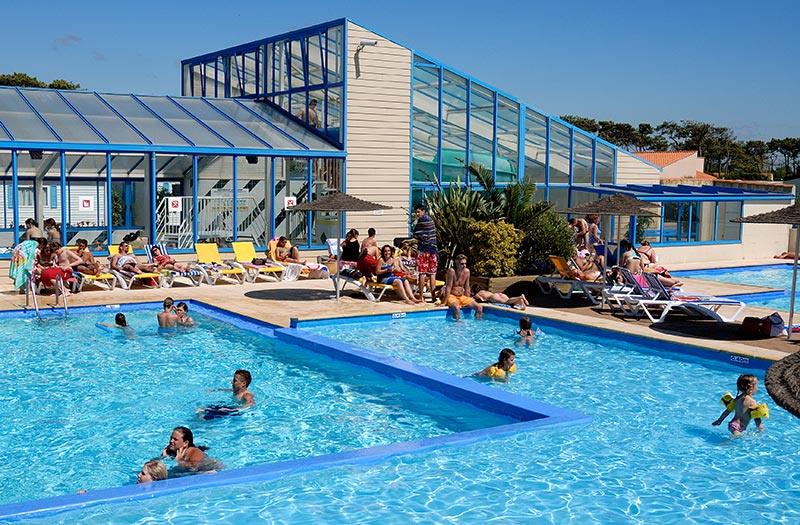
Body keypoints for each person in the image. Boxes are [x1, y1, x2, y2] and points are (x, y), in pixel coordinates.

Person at [440, 254, 482, 321]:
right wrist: (444, 302)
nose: (464, 265)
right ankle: (457, 324)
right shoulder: (451, 271)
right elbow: (448, 287)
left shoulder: (467, 271)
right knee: (457, 308)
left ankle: (477, 323)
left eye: (465, 263)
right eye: (462, 264)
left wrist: (468, 299)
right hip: (452, 296)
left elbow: (467, 287)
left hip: (461, 296)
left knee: (479, 307)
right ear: (456, 263)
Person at [412, 204, 439, 303]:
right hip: (433, 249)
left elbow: (416, 232)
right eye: (416, 212)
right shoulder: (430, 220)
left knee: (422, 273)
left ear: (423, 211)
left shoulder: (422, 220)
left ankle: (420, 297)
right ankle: (433, 297)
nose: (417, 214)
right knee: (432, 273)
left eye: (418, 212)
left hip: (423, 249)